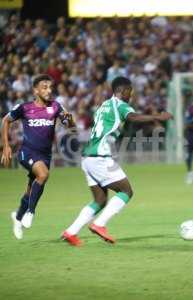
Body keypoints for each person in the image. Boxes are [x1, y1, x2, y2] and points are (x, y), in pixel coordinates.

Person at [62, 76, 172, 246]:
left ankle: (71, 232)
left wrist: (150, 126)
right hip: (100, 157)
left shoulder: (102, 107)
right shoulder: (119, 104)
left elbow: (123, 127)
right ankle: (99, 224)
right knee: (126, 191)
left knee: (99, 200)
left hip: (88, 158)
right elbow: (133, 118)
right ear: (122, 91)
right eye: (130, 92)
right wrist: (158, 117)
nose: (132, 95)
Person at [1, 74, 75, 239]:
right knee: (43, 175)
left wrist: (69, 120)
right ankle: (30, 212)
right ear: (35, 90)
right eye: (44, 87)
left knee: (31, 190)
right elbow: (5, 121)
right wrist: (6, 145)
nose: (49, 90)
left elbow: (71, 125)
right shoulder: (25, 107)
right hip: (26, 152)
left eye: (50, 87)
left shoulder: (56, 107)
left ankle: (17, 217)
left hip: (45, 155)